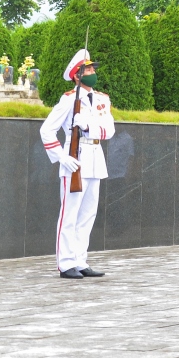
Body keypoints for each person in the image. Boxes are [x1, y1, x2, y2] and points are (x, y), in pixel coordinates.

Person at [42, 48, 115, 279]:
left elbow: (110, 130)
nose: (93, 72)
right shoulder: (68, 100)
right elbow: (46, 131)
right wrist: (62, 157)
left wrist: (87, 126)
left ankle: (80, 260)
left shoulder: (102, 99)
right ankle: (65, 263)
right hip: (75, 158)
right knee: (69, 214)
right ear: (77, 75)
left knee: (88, 214)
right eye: (88, 69)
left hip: (95, 157)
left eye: (93, 68)